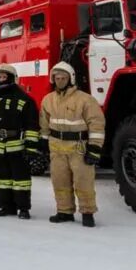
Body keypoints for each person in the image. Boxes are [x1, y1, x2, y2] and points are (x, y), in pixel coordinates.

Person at [40, 61, 106, 227]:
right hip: (56, 147)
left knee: (84, 181)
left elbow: (96, 124)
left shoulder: (85, 99)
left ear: (71, 79)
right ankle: (64, 212)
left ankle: (87, 212)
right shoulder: (48, 100)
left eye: (63, 78)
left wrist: (95, 147)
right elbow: (44, 123)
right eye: (57, 78)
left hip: (79, 147)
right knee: (59, 181)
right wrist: (43, 141)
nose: (60, 81)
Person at [0, 64, 41, 219]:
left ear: (12, 78)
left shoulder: (24, 100)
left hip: (17, 147)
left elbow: (32, 125)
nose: (1, 80)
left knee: (21, 180)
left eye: (4, 77)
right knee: (2, 179)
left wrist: (31, 146)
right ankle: (6, 207)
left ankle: (23, 208)